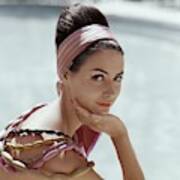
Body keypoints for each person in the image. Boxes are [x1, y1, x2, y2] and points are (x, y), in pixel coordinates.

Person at [0, 4, 145, 180]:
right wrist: (120, 135)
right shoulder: (63, 160)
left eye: (118, 78)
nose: (111, 92)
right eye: (98, 77)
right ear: (66, 74)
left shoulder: (35, 116)